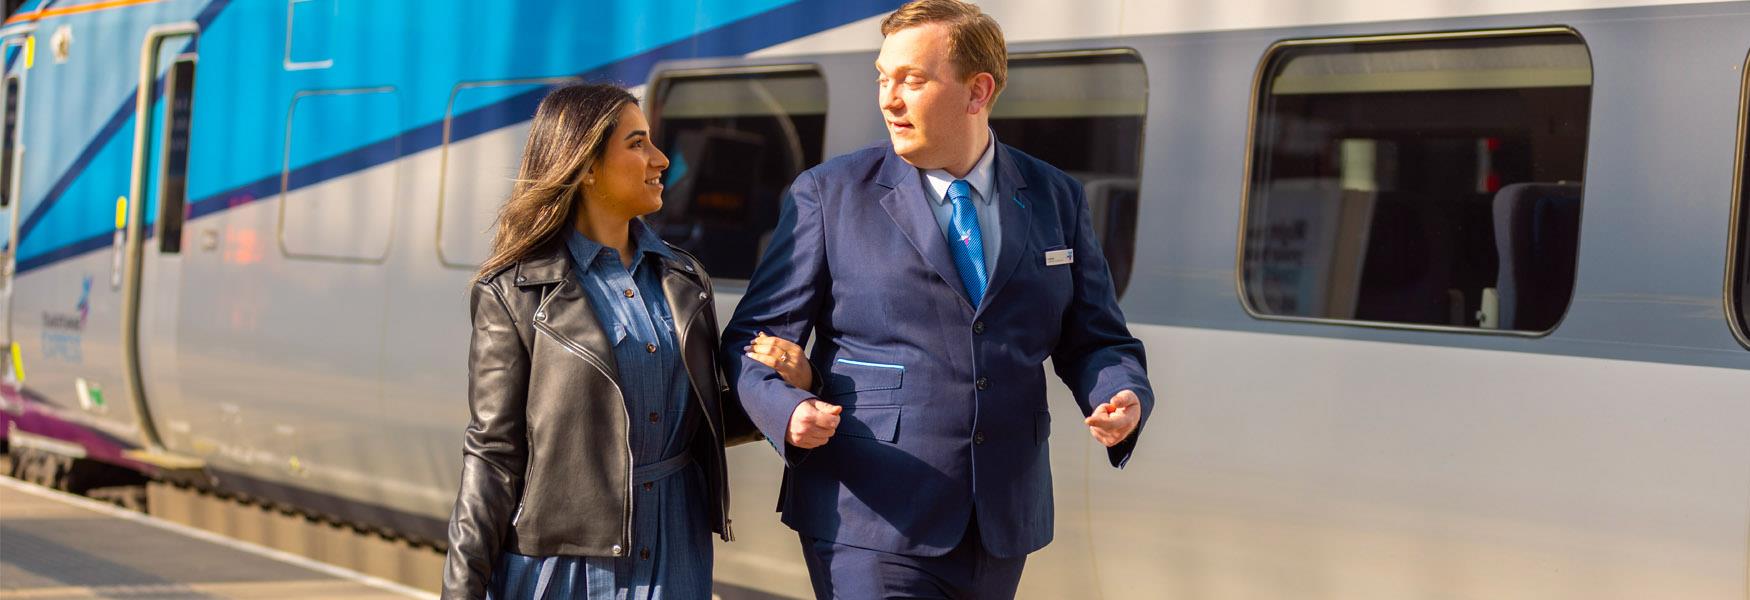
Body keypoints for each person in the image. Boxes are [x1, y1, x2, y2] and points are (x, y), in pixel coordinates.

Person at [722, 1, 1157, 597]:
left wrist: (1120, 392)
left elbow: (1098, 338)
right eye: (883, 77)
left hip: (1003, 517)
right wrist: (785, 412)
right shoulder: (828, 195)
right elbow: (752, 342)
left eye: (912, 79)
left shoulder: (1057, 197)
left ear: (978, 92)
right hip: (869, 515)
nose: (889, 98)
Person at [442, 83, 811, 600]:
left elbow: (694, 420)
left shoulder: (684, 280)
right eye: (637, 143)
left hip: (675, 553)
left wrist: (787, 390)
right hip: (567, 563)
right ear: (585, 165)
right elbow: (493, 453)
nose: (660, 159)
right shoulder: (514, 293)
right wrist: (462, 589)